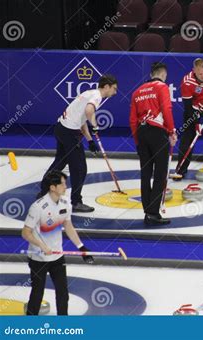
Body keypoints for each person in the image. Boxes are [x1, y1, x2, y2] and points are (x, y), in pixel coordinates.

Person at [38, 75, 118, 212]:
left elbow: (81, 120)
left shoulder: (89, 93)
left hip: (61, 128)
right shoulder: (97, 96)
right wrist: (95, 125)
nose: (115, 92)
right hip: (69, 133)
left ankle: (44, 190)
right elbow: (88, 112)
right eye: (114, 89)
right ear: (106, 86)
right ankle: (76, 202)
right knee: (80, 168)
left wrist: (90, 140)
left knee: (60, 161)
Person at [22, 170, 94, 315]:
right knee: (37, 294)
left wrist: (81, 248)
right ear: (52, 187)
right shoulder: (37, 207)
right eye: (62, 183)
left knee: (63, 294)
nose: (65, 186)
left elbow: (68, 225)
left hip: (57, 257)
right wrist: (42, 246)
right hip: (39, 258)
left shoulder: (66, 202)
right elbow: (25, 232)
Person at [129, 62, 177, 226]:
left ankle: (148, 211)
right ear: (164, 75)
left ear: (151, 75)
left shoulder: (137, 92)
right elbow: (166, 109)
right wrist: (172, 131)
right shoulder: (161, 87)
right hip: (157, 133)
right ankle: (153, 213)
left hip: (142, 134)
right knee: (160, 173)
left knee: (145, 172)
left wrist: (137, 142)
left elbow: (133, 120)